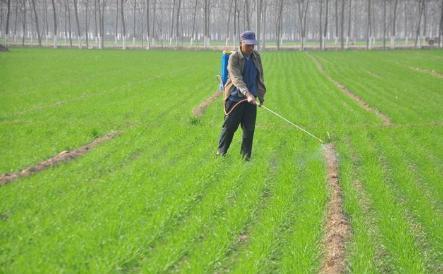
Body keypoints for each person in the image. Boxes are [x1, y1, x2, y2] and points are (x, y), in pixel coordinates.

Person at [216, 31, 266, 161]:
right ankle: (221, 153)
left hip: (250, 100)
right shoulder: (234, 57)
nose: (251, 48)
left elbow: (259, 76)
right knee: (229, 128)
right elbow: (236, 78)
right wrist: (247, 94)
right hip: (234, 99)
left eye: (252, 45)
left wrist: (260, 95)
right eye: (248, 45)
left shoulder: (256, 56)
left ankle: (245, 158)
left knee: (249, 130)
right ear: (241, 43)